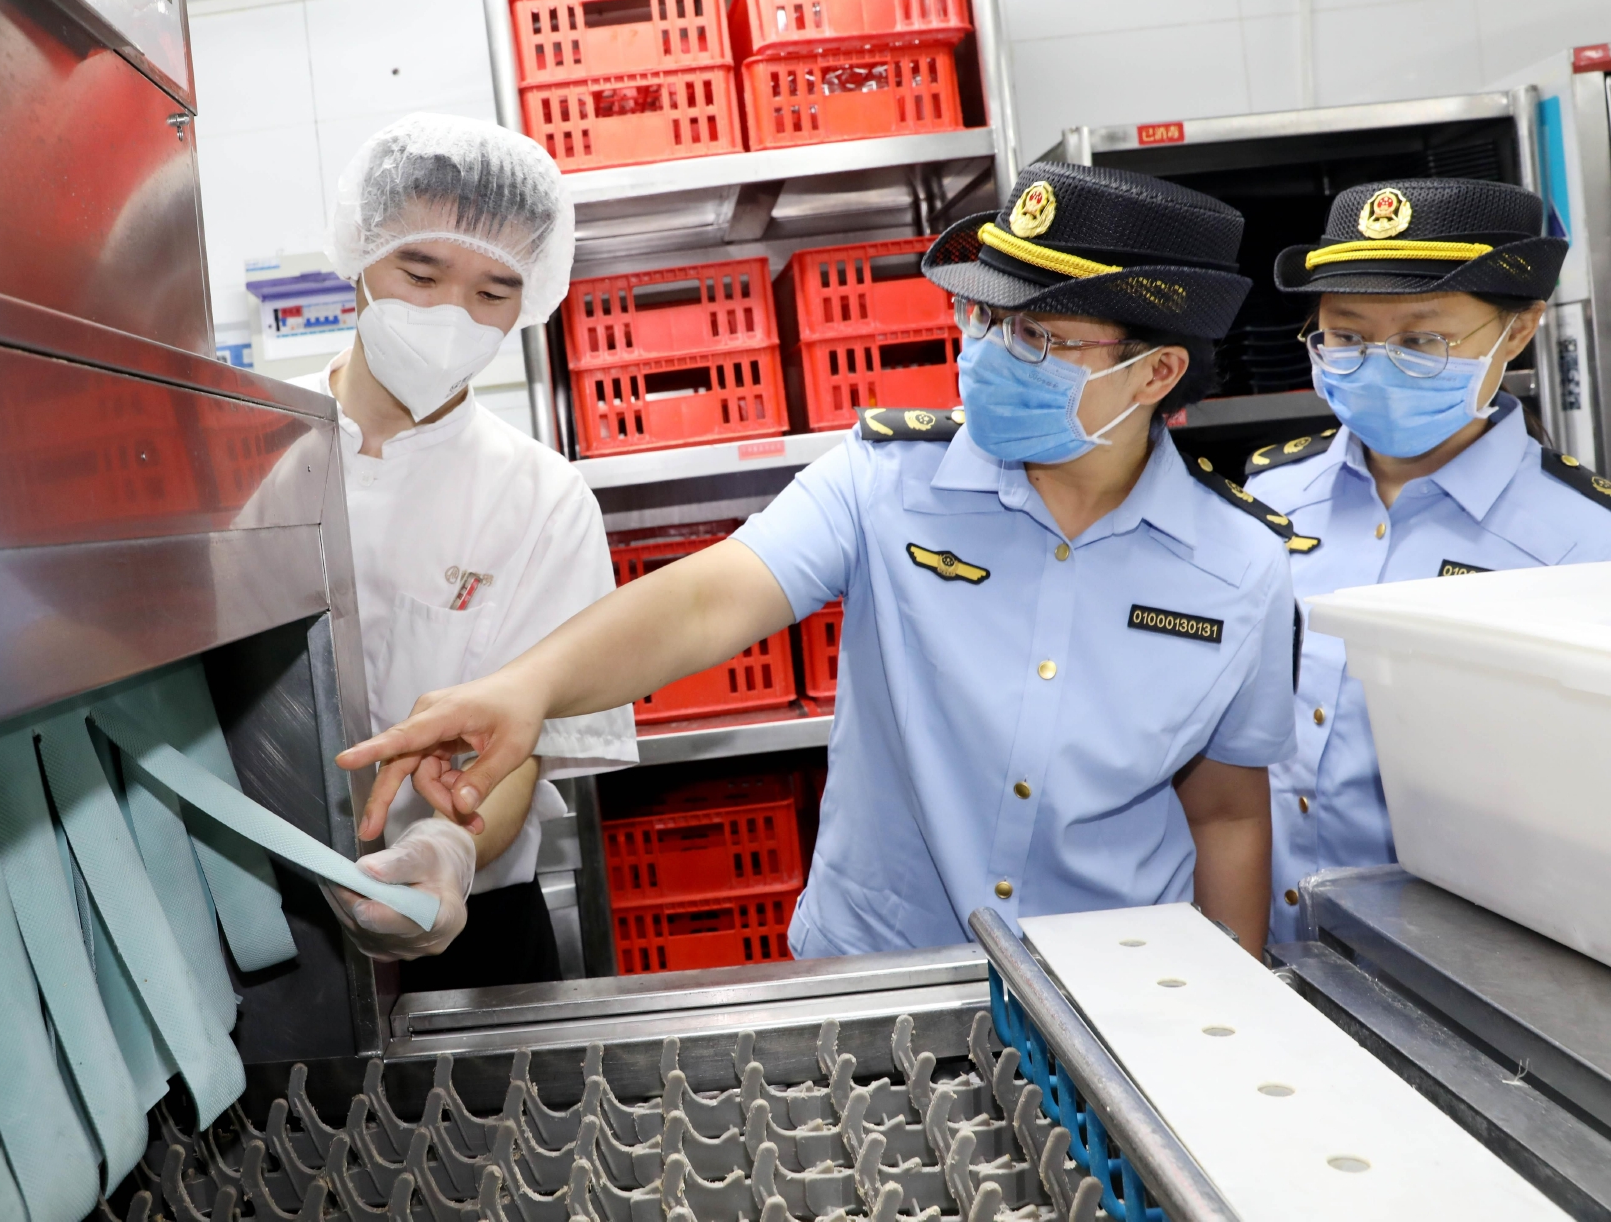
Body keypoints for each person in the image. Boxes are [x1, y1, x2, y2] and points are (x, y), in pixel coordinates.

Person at [338, 162, 1306, 957]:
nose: (990, 353)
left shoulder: (1238, 567)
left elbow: (1224, 812)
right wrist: (529, 687)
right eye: (984, 320)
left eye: (1037, 336)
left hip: (1118, 986)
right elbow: (708, 601)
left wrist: (1229, 1009)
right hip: (880, 973)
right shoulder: (888, 481)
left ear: (1155, 370)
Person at [309, 113, 636, 988]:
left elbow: (530, 740)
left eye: (492, 294)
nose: (449, 315)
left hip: (473, 921)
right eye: (419, 272)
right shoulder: (247, 446)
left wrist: (450, 845)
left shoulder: (540, 496)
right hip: (268, 918)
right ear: (361, 255)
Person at [1246, 177, 1611, 943]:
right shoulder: (1271, 498)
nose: (1377, 365)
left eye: (1421, 343)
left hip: (1458, 969)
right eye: (1345, 338)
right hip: (1263, 944)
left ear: (1517, 331)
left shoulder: (1581, 545)